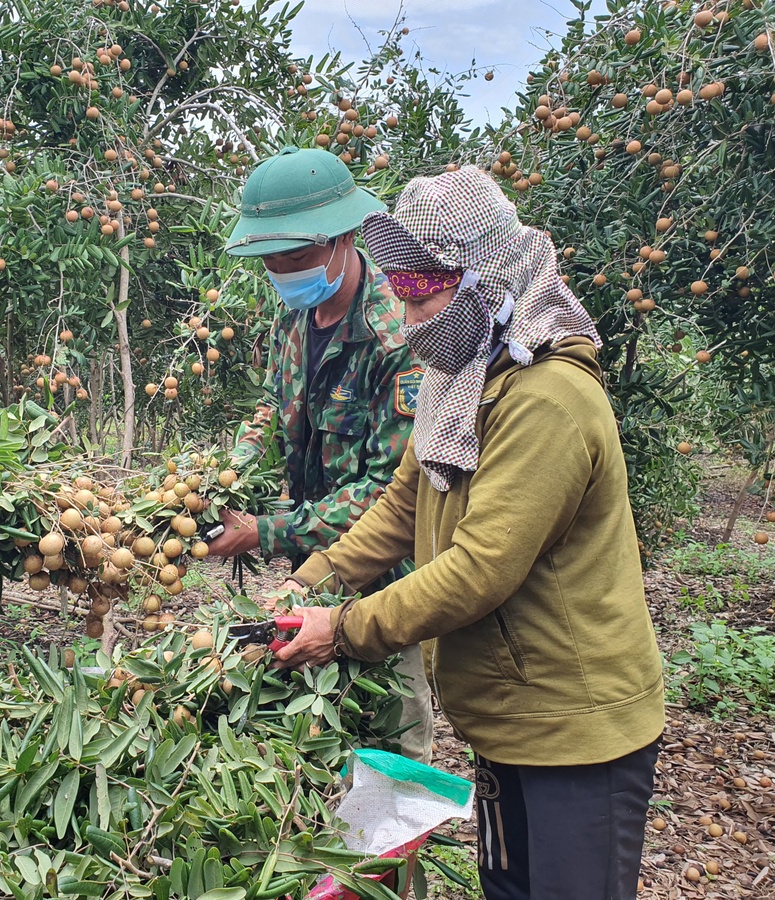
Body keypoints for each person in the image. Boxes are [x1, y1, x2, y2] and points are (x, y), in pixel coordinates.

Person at [270, 165, 665, 899]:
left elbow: (481, 568)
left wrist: (345, 627)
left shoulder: (546, 398)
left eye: (421, 287)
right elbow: (399, 510)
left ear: (482, 277)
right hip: (507, 718)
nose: (406, 308)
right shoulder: (462, 373)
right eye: (398, 286)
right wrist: (307, 582)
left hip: (573, 728)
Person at [208, 145, 433, 762]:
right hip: (312, 574)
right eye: (270, 259)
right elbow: (273, 409)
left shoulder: (400, 333)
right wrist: (232, 470)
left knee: (392, 746)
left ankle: (394, 857)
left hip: (385, 583)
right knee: (314, 743)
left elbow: (392, 493)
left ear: (346, 236)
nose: (282, 269)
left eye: (298, 256)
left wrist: (262, 531)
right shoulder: (295, 317)